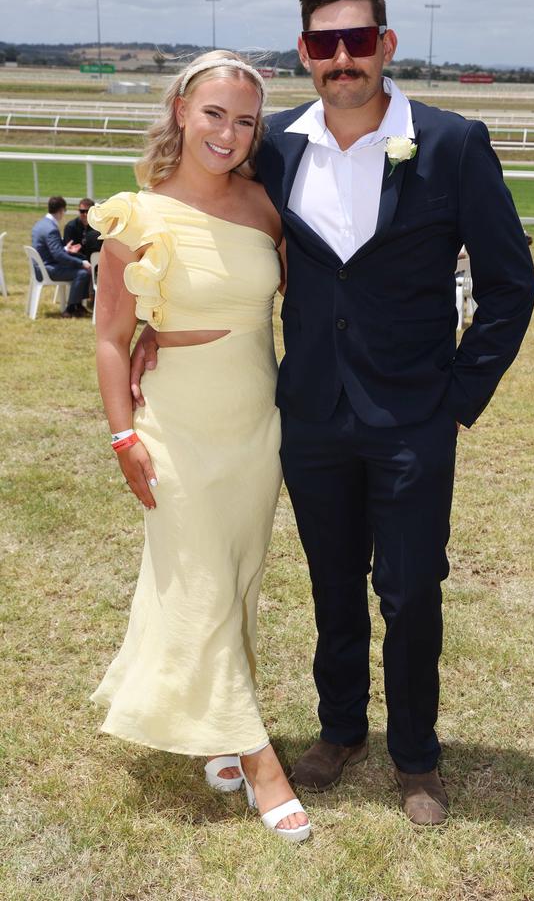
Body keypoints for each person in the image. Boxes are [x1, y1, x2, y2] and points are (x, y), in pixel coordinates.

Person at [133, 0, 534, 827]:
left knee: (410, 587)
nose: (344, 58)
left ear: (387, 44)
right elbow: (195, 222)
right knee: (330, 583)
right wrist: (145, 331)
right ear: (306, 53)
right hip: (309, 412)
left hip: (414, 417)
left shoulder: (453, 143)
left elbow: (511, 284)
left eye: (359, 40)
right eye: (325, 43)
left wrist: (459, 395)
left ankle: (417, 757)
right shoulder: (271, 144)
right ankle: (339, 729)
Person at [89, 50, 310, 842]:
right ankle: (257, 760)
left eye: (245, 120)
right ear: (181, 110)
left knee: (237, 578)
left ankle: (217, 728)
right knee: (202, 578)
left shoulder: (265, 207)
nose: (229, 131)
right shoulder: (135, 216)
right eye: (214, 113)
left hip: (256, 426)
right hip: (174, 425)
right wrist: (123, 435)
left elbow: (314, 303)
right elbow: (114, 338)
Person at [31, 195, 92, 317]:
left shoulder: (40, 224)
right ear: (61, 210)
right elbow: (58, 256)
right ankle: (70, 309)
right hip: (48, 269)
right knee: (83, 272)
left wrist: (65, 248)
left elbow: (52, 250)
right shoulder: (51, 229)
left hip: (40, 267)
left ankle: (77, 306)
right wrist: (81, 263)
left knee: (81, 267)